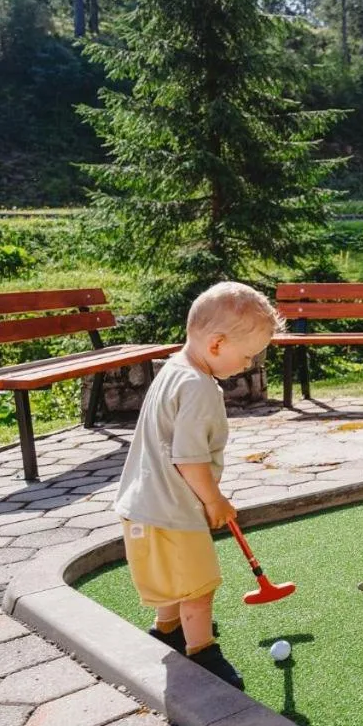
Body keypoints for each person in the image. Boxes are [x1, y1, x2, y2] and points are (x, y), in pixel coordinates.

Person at [114, 281, 284, 687]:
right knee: (198, 586)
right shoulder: (200, 387)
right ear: (216, 344)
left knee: (174, 579)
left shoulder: (174, 369)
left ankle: (167, 631)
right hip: (173, 509)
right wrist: (215, 501)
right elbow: (188, 458)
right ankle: (203, 653)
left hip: (142, 505)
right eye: (246, 356)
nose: (247, 365)